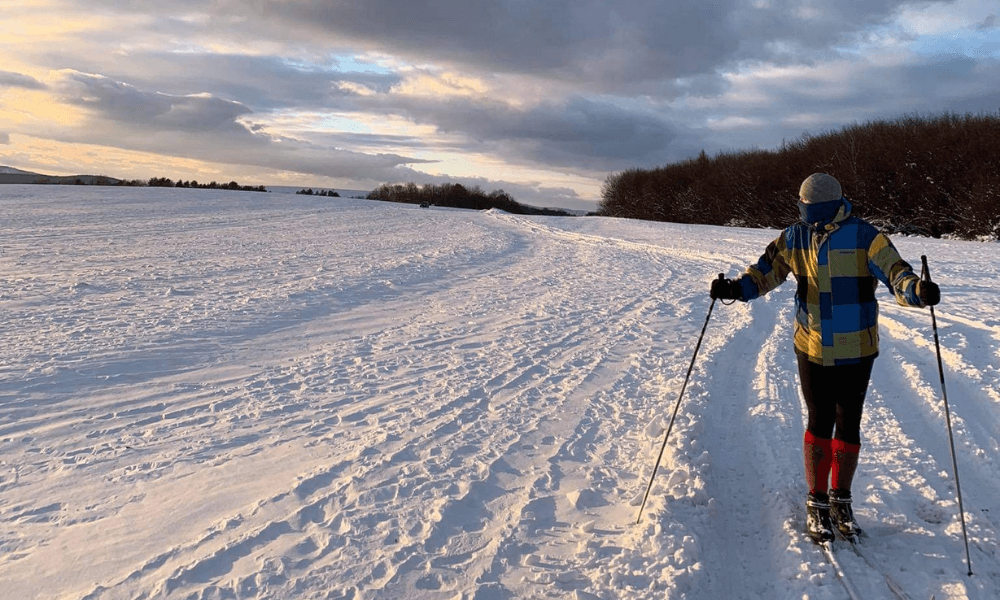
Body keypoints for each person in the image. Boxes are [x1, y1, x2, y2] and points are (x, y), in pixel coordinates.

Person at [709, 173, 941, 543]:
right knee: (819, 421)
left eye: (814, 210)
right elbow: (765, 272)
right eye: (805, 210)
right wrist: (735, 288)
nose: (809, 216)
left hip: (857, 349)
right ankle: (816, 502)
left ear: (832, 205)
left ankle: (841, 499)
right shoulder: (794, 236)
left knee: (848, 424)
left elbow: (898, 274)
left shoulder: (867, 237)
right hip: (812, 345)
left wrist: (918, 291)